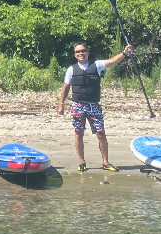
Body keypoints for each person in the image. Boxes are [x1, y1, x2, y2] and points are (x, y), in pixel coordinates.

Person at [56, 41, 131, 171]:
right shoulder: (71, 69)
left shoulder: (96, 65)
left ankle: (106, 162)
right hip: (78, 106)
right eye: (78, 51)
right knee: (78, 133)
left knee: (101, 134)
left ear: (88, 52)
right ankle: (82, 162)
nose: (81, 53)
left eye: (83, 51)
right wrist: (61, 105)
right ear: (75, 54)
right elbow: (65, 88)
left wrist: (124, 53)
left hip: (94, 106)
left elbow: (112, 61)